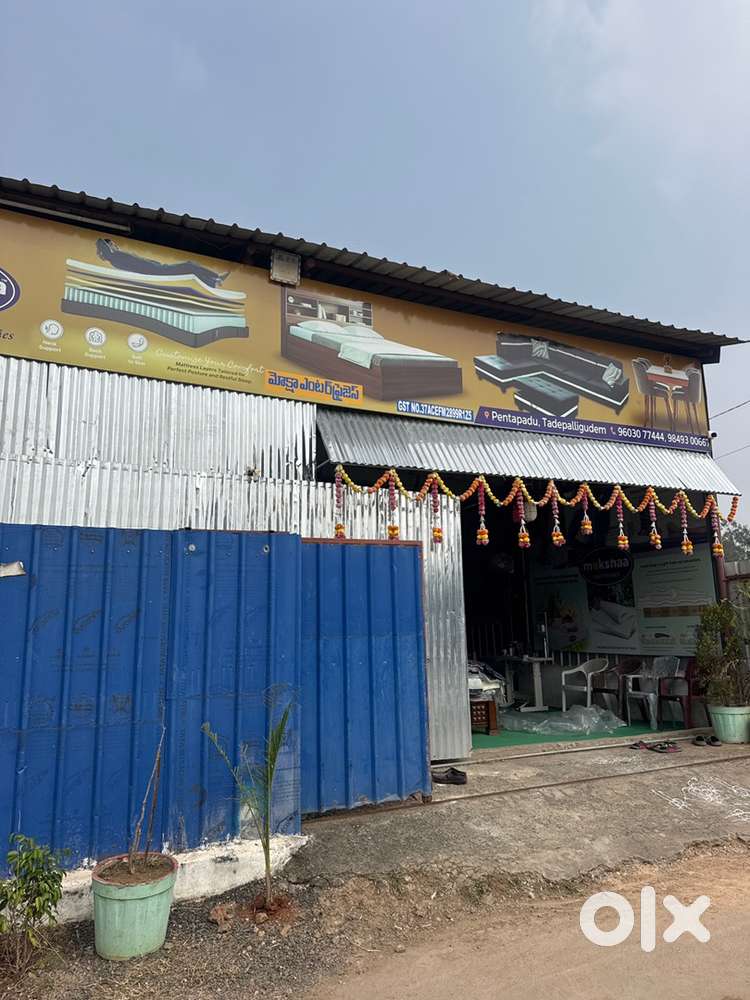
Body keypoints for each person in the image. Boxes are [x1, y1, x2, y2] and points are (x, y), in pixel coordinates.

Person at [95, 239, 229, 288]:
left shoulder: (117, 258)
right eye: (112, 244)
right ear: (109, 247)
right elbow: (101, 242)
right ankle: (216, 277)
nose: (115, 246)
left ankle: (213, 282)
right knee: (189, 265)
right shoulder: (115, 257)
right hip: (157, 271)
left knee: (190, 271)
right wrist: (102, 245)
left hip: (158, 269)